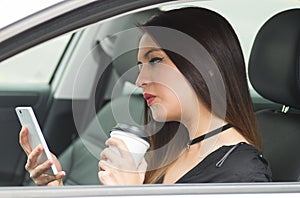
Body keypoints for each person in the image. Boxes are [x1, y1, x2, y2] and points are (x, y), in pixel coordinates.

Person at [19, 7, 272, 186]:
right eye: (140, 65)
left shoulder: (243, 175)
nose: (140, 80)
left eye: (155, 60)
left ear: (206, 65)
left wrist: (129, 193)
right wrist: (54, 190)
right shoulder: (170, 147)